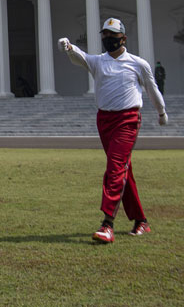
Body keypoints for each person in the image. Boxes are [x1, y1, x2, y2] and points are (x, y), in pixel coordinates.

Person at [58, 18, 168, 244]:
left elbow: (152, 88)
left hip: (127, 120)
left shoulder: (138, 63)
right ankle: (141, 220)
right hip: (104, 121)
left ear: (123, 38)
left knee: (115, 168)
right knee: (123, 170)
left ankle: (107, 224)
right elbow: (81, 57)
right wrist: (69, 48)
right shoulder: (99, 61)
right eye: (105, 35)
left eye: (112, 35)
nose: (108, 39)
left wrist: (161, 112)